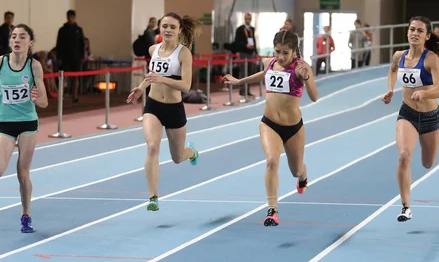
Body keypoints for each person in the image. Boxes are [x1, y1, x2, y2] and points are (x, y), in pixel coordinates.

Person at [223, 30, 318, 227]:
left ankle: (303, 174)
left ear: (294, 51)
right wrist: (239, 81)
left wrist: (307, 78)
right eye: (278, 52)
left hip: (293, 128)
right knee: (271, 161)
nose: (281, 57)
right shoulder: (270, 63)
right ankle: (272, 210)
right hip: (269, 123)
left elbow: (315, 97)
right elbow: (264, 75)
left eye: (286, 53)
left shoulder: (302, 67)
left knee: (295, 170)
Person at [126, 12, 201, 211]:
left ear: (179, 31)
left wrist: (162, 79)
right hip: (153, 106)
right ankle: (153, 197)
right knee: (152, 147)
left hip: (174, 109)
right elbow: (152, 75)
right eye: (164, 26)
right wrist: (142, 87)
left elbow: (186, 86)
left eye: (172, 27)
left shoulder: (183, 53)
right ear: (159, 28)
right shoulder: (154, 49)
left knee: (177, 157)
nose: (168, 30)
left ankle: (191, 152)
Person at [382, 16, 439, 223]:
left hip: (430, 117)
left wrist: (425, 93)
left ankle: (426, 147)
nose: (414, 33)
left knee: (427, 163)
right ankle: (405, 207)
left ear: (427, 36)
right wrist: (391, 89)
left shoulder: (431, 59)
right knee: (404, 155)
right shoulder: (399, 56)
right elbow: (393, 70)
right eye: (412, 29)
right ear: (407, 32)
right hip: (408, 114)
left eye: (420, 31)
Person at [0, 24, 48, 233]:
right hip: (6, 122)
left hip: (28, 123)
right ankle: (6, 148)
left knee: (22, 173)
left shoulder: (34, 66)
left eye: (22, 37)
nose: (17, 40)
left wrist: (37, 99)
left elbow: (45, 102)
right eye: (13, 37)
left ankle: (26, 215)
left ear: (30, 42)